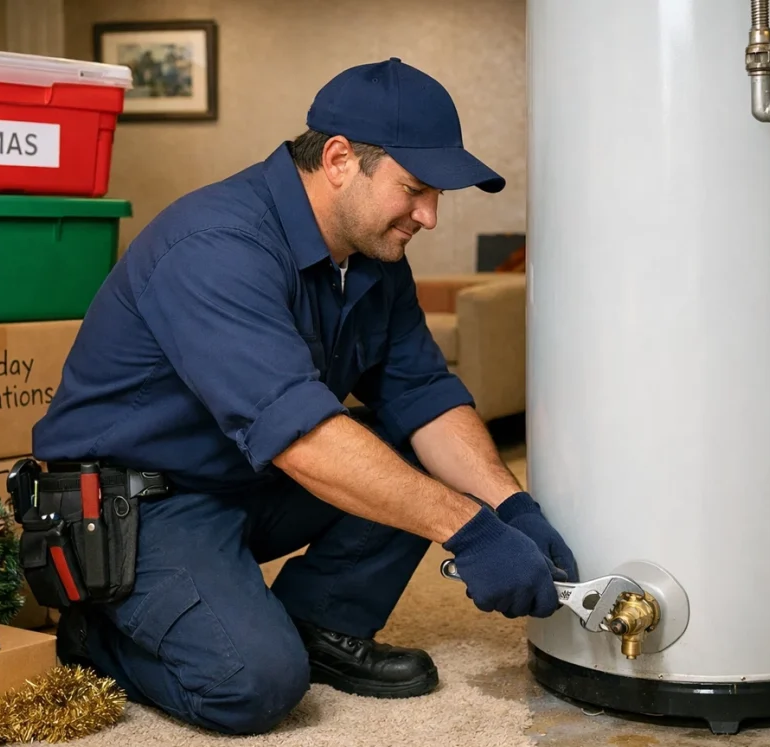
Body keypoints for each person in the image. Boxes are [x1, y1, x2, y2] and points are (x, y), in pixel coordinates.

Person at [31, 57, 578, 735]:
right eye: (416, 189)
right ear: (341, 159)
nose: (430, 216)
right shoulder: (219, 246)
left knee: (403, 444)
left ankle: (324, 623)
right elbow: (302, 436)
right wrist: (468, 529)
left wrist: (511, 505)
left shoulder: (372, 255)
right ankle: (98, 633)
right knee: (254, 684)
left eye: (437, 195)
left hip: (245, 475)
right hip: (139, 505)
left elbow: (425, 393)